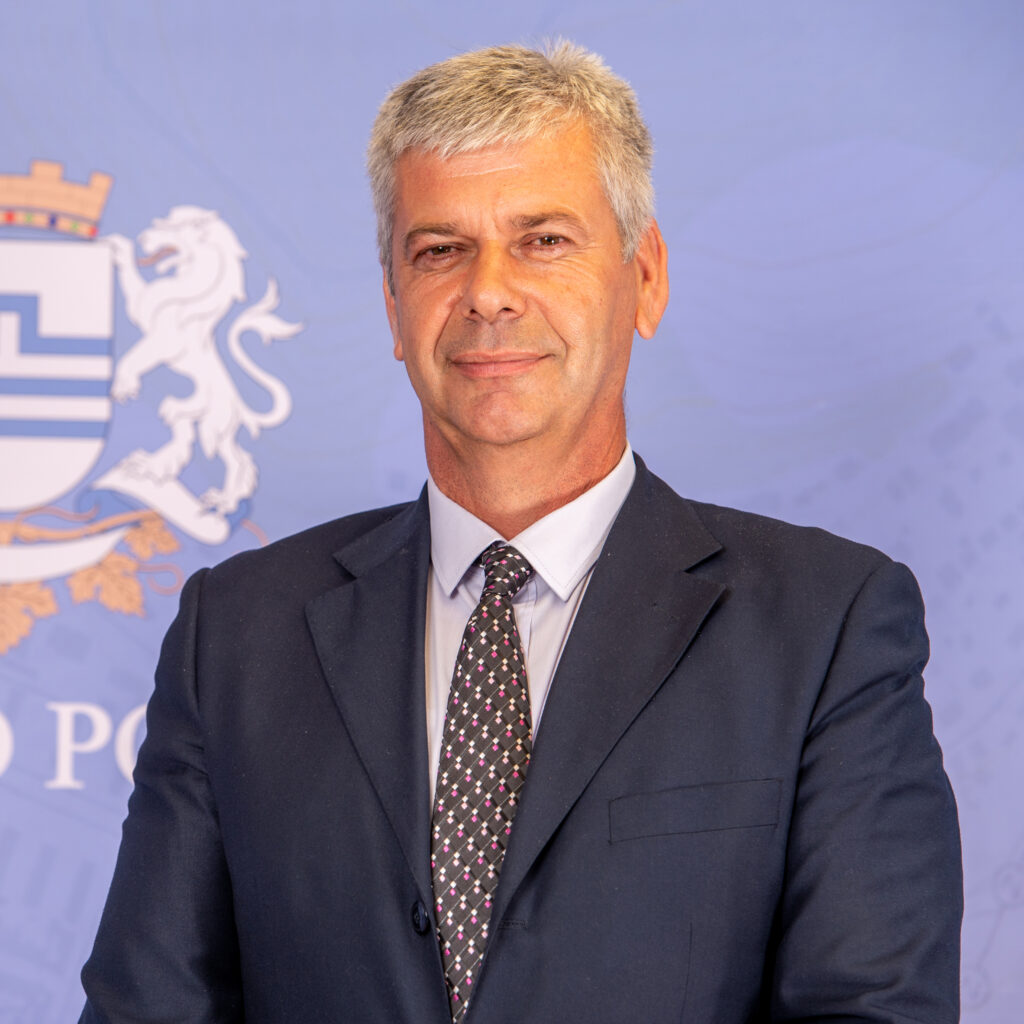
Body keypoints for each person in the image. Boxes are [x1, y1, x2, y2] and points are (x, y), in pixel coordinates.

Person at [80, 42, 962, 1024]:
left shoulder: (825, 628)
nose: (488, 291)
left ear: (646, 278)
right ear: (393, 305)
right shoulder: (236, 633)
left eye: (543, 239)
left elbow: (873, 1007)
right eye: (439, 249)